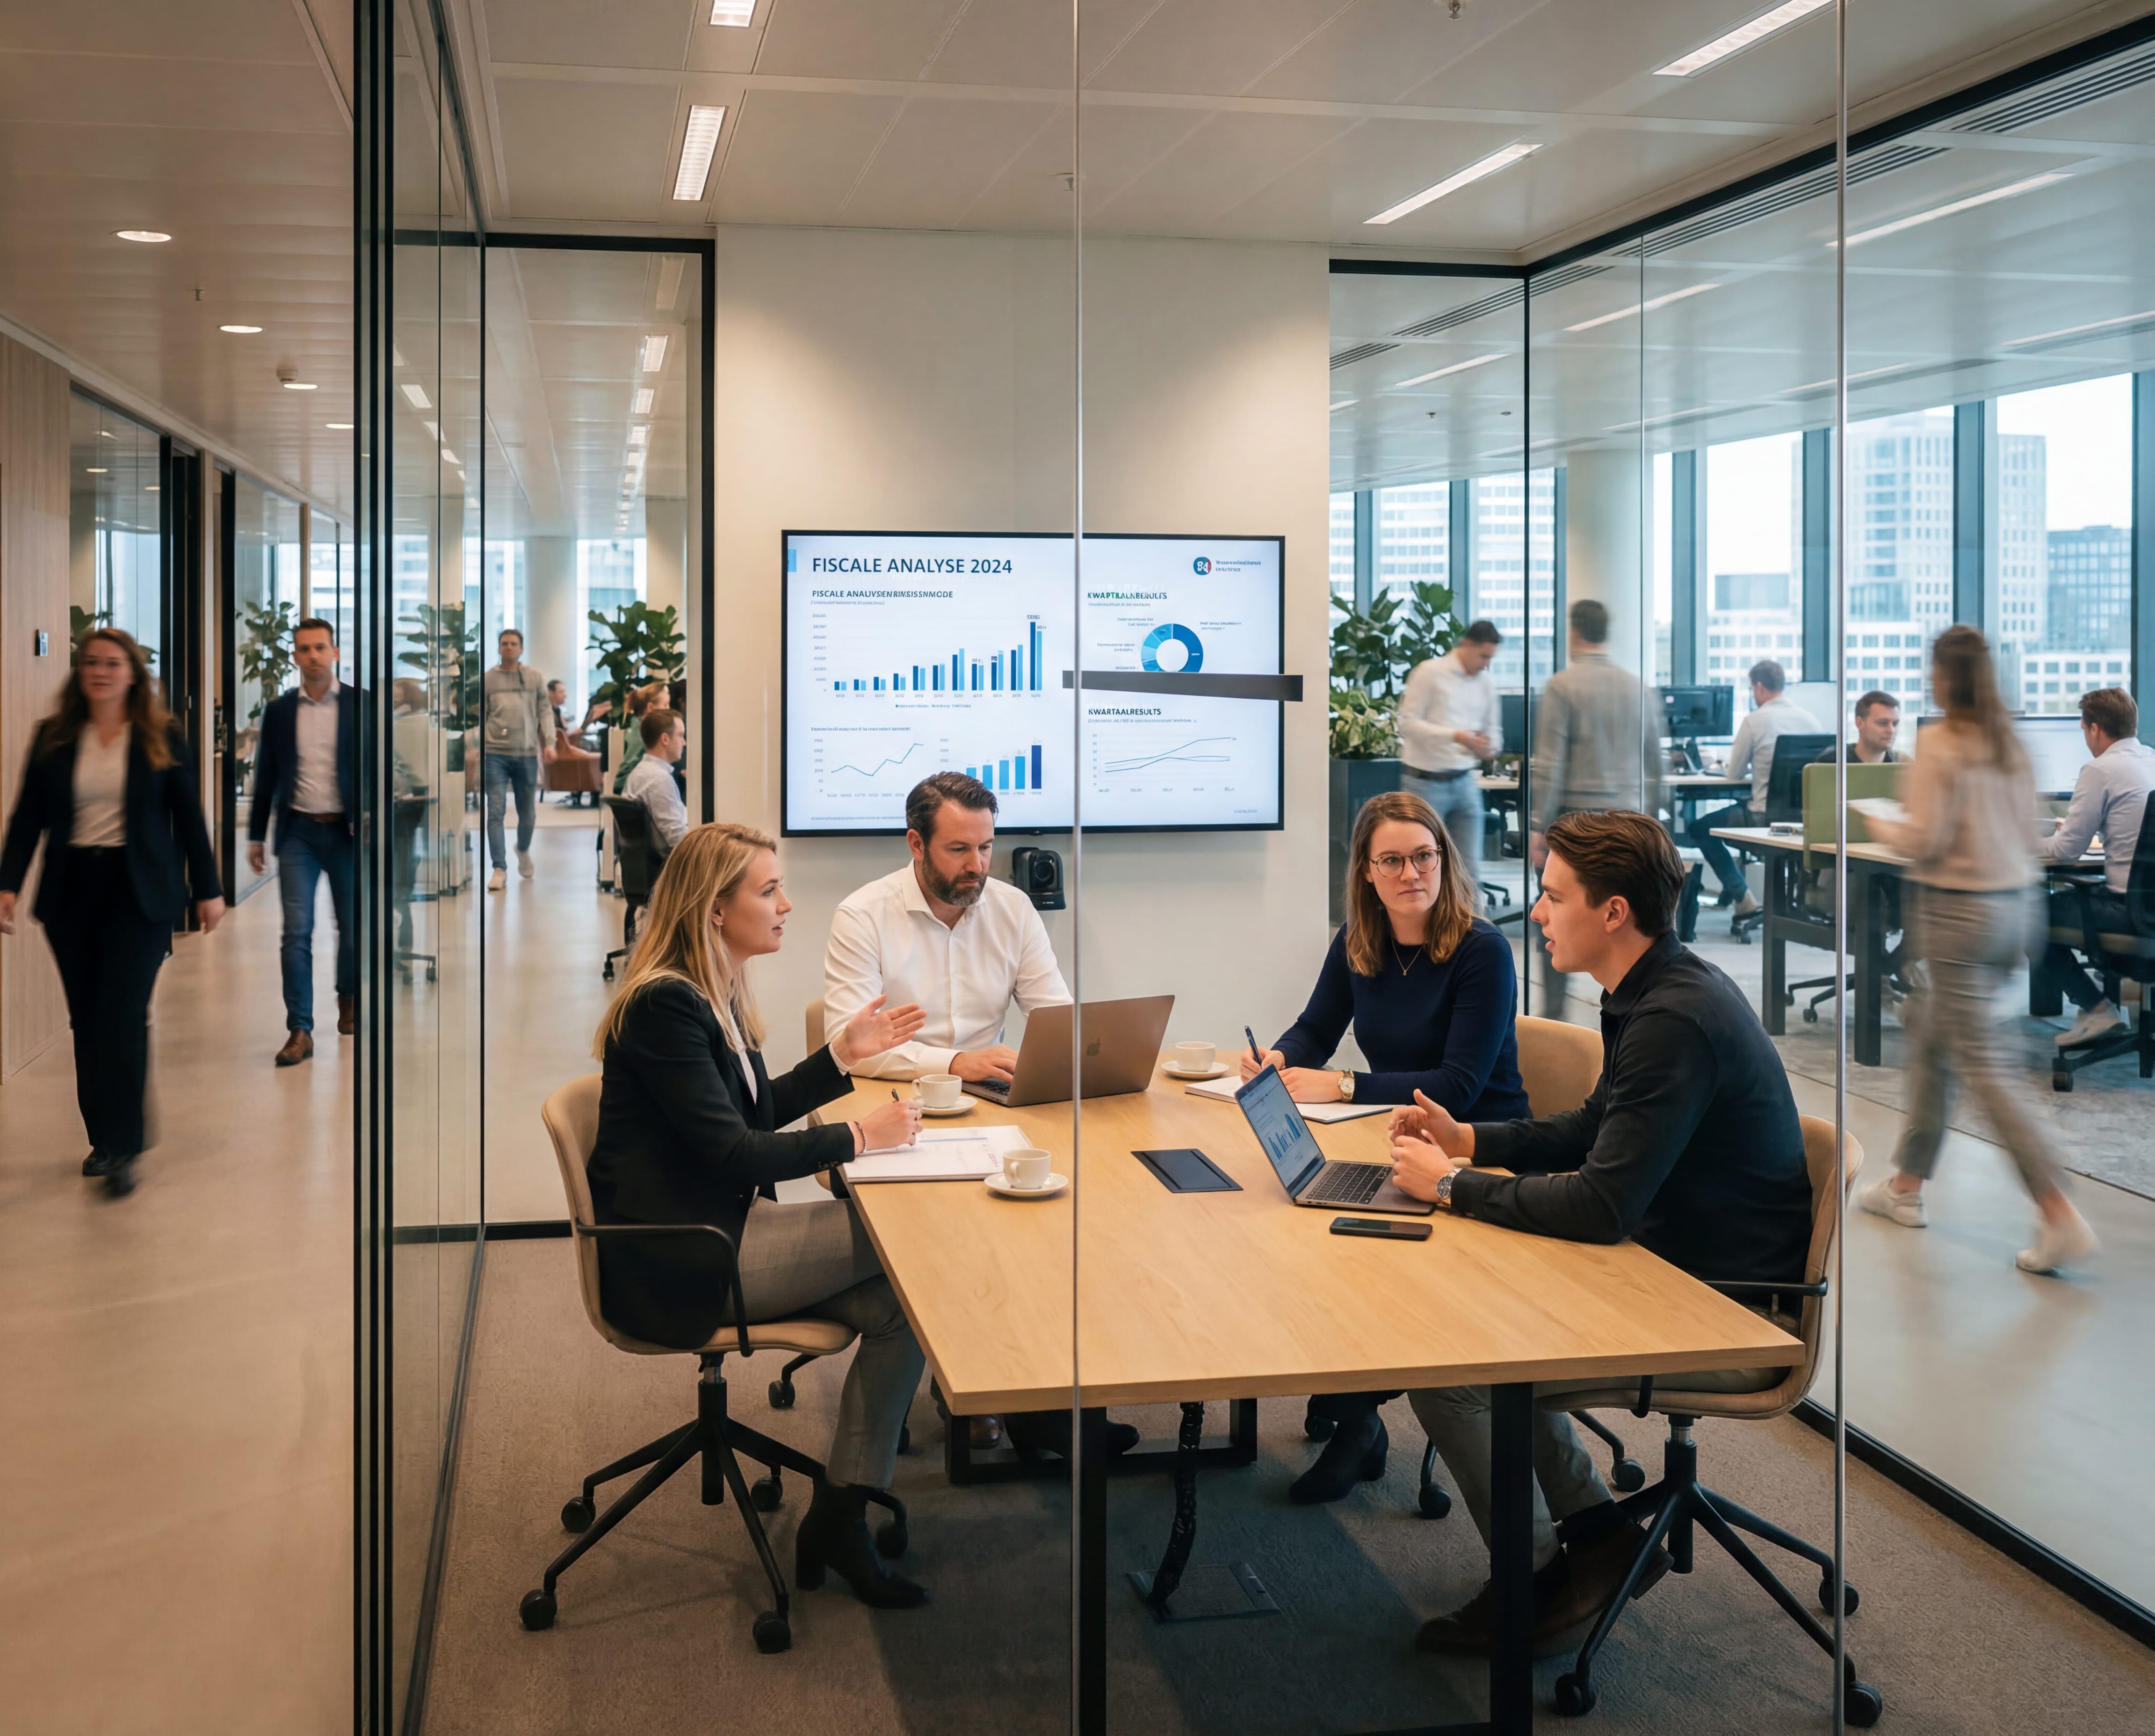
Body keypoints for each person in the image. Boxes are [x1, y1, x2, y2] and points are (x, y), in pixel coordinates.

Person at [1381, 809, 1812, 1655]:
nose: (1535, 912)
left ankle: (1536, 1578)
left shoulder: (1673, 1018)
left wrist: (1456, 1187)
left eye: (1551, 895)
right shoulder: (1648, 989)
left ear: (1612, 913)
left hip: (1723, 1309)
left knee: (1453, 1373)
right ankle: (1598, 1538)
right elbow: (1590, 1126)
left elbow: (1600, 1206)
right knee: (1466, 1327)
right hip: (1663, 1267)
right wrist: (1472, 1142)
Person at [587, 822, 933, 1607]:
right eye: (768, 889)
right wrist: (857, 1136)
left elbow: (754, 1110)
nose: (786, 903)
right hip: (682, 1257)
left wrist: (842, 1056)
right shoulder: (664, 1009)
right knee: (911, 1245)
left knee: (895, 1308)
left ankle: (839, 1518)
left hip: (719, 1230)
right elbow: (735, 1154)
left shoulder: (709, 993)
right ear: (715, 909)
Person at [1240, 789, 1530, 1503]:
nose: (1411, 873)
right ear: (1367, 873)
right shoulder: (1358, 941)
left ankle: (1357, 1422)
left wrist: (1339, 1086)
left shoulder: (1481, 951)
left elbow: (1457, 1088)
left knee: (1367, 1255)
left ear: (1445, 859)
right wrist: (1281, 1060)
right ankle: (1351, 1405)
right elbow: (1314, 1028)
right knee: (1302, 1232)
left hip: (1476, 1151)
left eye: (1424, 856)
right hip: (1395, 1136)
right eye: (1393, 861)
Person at [823, 770, 1081, 1456]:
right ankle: (968, 1384)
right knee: (947, 1240)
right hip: (894, 1109)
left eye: (986, 848)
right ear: (916, 844)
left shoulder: (1012, 909)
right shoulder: (863, 915)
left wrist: (1064, 1052)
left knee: (1058, 1212)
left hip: (991, 1106)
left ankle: (1029, 1392)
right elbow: (849, 1049)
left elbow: (1053, 1015)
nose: (977, 867)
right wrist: (951, 1061)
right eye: (959, 851)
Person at [1855, 626, 2097, 1276]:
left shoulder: (1942, 743)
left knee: (1986, 1069)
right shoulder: (2009, 744)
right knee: (1935, 1044)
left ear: (1944, 676)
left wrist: (1879, 819)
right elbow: (2032, 833)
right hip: (2015, 909)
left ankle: (2056, 1209)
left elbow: (1926, 840)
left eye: (1932, 671)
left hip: (1959, 915)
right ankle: (1906, 1186)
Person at [0, 629, 224, 1198]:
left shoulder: (160, 735)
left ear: (132, 673)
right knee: (87, 1021)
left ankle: (124, 1145)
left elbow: (190, 817)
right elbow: (28, 817)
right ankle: (102, 1137)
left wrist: (209, 888)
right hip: (72, 891)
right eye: (91, 663)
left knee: (122, 1014)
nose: (100, 671)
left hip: (139, 892)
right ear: (81, 673)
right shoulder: (53, 737)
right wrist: (7, 884)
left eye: (112, 663)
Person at [1529, 600, 1663, 1015]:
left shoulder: (1564, 686)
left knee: (1557, 919)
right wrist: (1654, 827)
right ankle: (1637, 1011)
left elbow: (1551, 763)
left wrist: (1537, 825)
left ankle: (1553, 1016)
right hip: (1628, 827)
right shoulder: (1638, 687)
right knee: (1626, 925)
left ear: (1574, 632)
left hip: (1576, 827)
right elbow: (1655, 764)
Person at [247, 617, 358, 1067]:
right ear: (295, 657)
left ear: (335, 653)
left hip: (347, 834)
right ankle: (300, 1028)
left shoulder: (359, 705)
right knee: (297, 931)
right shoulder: (279, 711)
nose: (312, 656)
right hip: (299, 834)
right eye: (303, 649)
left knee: (352, 929)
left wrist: (369, 816)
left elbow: (375, 768)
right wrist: (256, 834)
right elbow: (267, 776)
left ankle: (349, 1000)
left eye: (320, 648)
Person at [2034, 687, 2155, 1050]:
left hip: (2125, 912)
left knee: (2026, 916)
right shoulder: (2151, 760)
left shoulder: (2100, 769)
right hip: (2147, 907)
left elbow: (2067, 850)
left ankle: (2097, 1009)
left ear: (2095, 729)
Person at [1685, 659, 1818, 920]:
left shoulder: (1755, 721)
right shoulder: (1812, 721)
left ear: (1758, 687)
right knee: (1734, 811)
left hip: (1762, 818)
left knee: (1699, 829)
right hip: (1805, 819)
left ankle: (1742, 897)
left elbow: (1733, 774)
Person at [1396, 620, 1504, 898]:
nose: (1486, 665)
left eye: (1491, 658)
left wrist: (1488, 747)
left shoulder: (1486, 684)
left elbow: (1495, 733)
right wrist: (1457, 737)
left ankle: (1473, 939)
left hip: (1465, 782)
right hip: (1425, 783)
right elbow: (1407, 725)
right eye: (1484, 656)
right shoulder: (1430, 674)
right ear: (1467, 645)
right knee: (1421, 869)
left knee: (1470, 871)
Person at [482, 627, 548, 890]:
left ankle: (522, 848)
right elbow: (480, 716)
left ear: (521, 648)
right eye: (504, 643)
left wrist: (550, 743)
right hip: (495, 753)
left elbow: (545, 711)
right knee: (495, 812)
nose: (508, 647)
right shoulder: (488, 680)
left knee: (528, 815)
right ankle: (500, 868)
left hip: (527, 754)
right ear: (499, 648)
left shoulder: (533, 677)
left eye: (513, 644)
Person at [622, 706, 689, 858]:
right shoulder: (659, 779)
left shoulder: (639, 773)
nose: (684, 743)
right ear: (665, 739)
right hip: (668, 864)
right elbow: (677, 839)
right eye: (681, 736)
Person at [1813, 689, 1902, 767]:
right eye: (1883, 723)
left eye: (1895, 724)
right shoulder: (1832, 762)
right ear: (1859, 723)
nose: (1891, 731)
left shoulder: (1904, 764)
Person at [611, 681, 666, 796]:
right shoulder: (640, 737)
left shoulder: (638, 729)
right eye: (665, 705)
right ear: (651, 708)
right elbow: (625, 773)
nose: (669, 709)